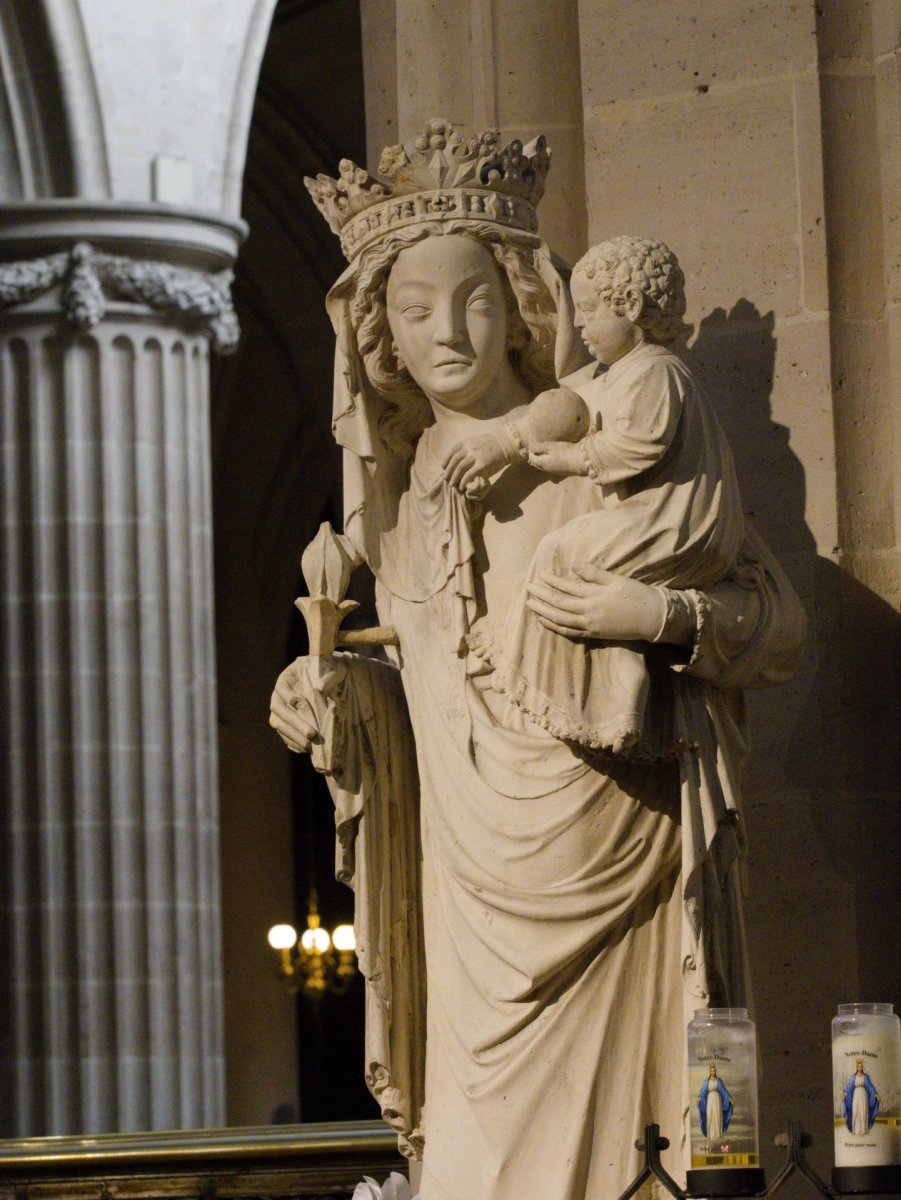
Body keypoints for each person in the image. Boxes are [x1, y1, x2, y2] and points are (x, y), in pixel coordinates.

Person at [270, 120, 806, 1200]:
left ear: (521, 307)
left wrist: (648, 615)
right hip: (471, 900)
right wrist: (333, 695)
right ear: (379, 338)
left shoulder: (606, 445)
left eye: (471, 300)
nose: (445, 333)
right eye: (412, 312)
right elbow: (426, 681)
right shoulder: (401, 504)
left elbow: (776, 624)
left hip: (626, 853)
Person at [442, 236, 745, 754]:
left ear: (628, 307)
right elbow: (564, 408)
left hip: (673, 523)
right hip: (660, 525)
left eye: (587, 311)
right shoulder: (621, 374)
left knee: (564, 552)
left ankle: (536, 665)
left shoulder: (655, 372)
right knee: (568, 559)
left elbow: (634, 443)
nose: (578, 326)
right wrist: (503, 444)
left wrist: (571, 460)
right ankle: (610, 685)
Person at [699, 1064, 734, 1149]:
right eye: (711, 1071)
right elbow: (703, 1092)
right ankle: (711, 1135)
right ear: (709, 1072)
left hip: (717, 1100)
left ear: (715, 1071)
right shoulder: (706, 1082)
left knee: (717, 1116)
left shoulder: (719, 1081)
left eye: (714, 1071)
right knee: (710, 1116)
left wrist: (729, 1099)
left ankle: (718, 1134)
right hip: (710, 1100)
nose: (713, 1072)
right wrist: (699, 1099)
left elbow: (723, 1091)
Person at [845, 1059, 880, 1136]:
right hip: (856, 1095)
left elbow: (870, 1086)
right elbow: (849, 1087)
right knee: (856, 1111)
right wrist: (845, 1094)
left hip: (863, 1095)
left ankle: (863, 1130)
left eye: (861, 1067)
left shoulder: (866, 1077)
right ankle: (855, 1130)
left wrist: (875, 1094)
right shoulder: (853, 1077)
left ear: (862, 1067)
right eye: (858, 1067)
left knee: (863, 1111)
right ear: (856, 1067)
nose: (860, 1068)